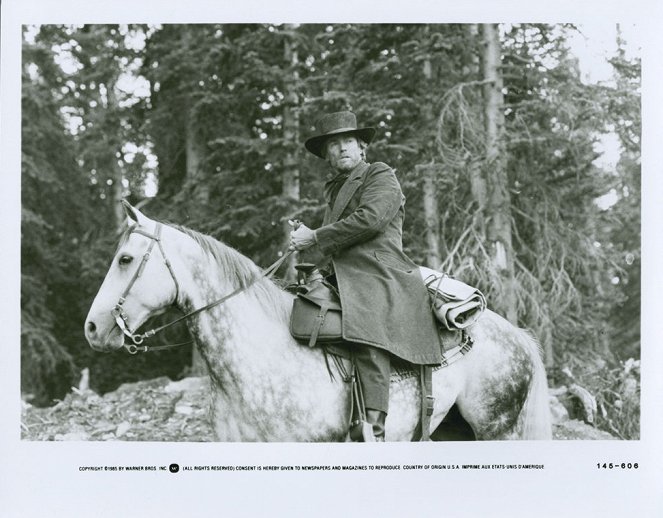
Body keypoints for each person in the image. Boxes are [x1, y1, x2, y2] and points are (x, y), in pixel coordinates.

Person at [289, 111, 442, 441]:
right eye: (334, 144)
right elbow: (338, 240)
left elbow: (371, 220)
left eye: (348, 142)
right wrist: (306, 243)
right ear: (327, 155)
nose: (342, 148)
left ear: (361, 148)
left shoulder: (380, 174)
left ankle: (371, 429)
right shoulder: (335, 188)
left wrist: (314, 236)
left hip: (380, 269)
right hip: (346, 272)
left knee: (365, 326)